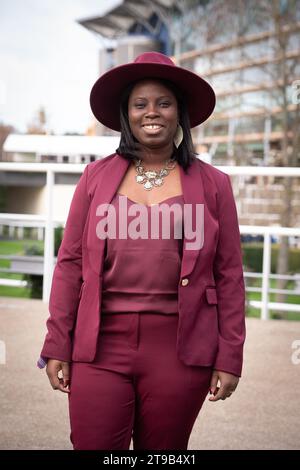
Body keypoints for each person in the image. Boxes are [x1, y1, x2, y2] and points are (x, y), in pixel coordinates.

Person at [38, 51, 246, 450]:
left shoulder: (215, 185)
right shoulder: (94, 178)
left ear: (179, 113)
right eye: (140, 104)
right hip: (99, 346)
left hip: (180, 351)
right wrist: (56, 343)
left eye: (164, 103)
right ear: (126, 114)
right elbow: (70, 264)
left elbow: (230, 275)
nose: (152, 112)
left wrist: (229, 355)